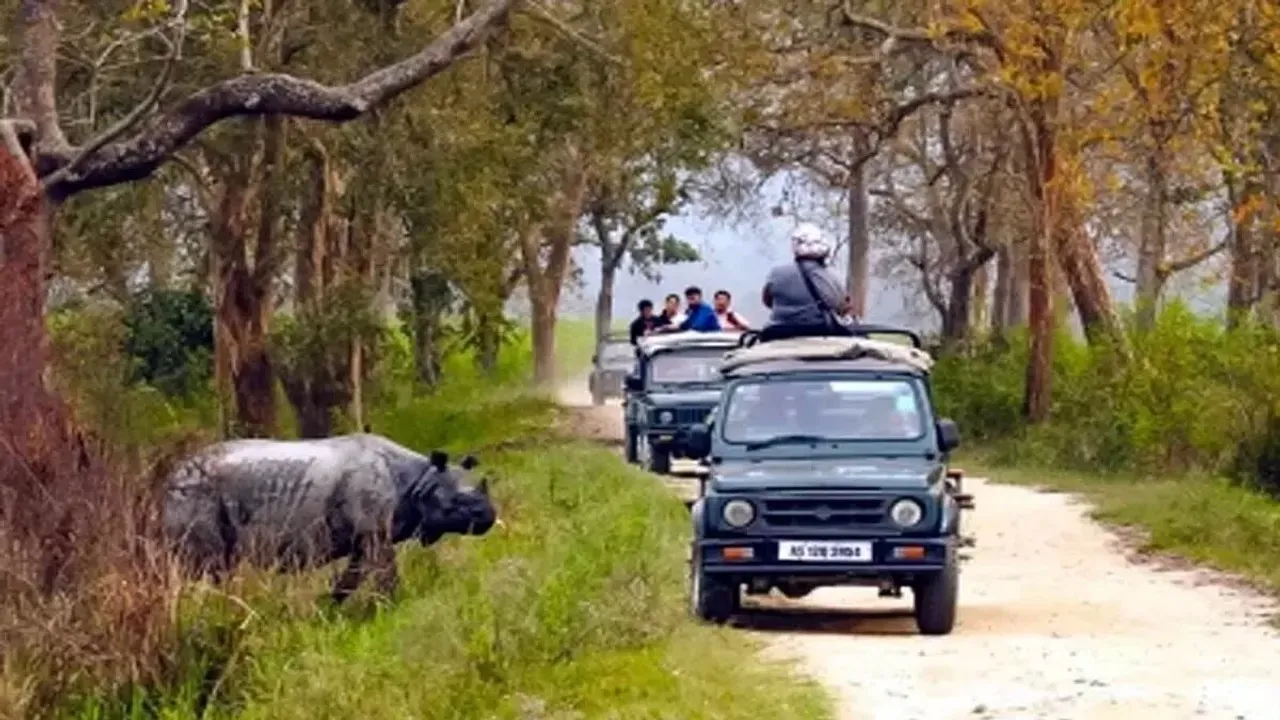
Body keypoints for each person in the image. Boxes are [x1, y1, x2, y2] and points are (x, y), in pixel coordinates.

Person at [760, 222, 855, 340]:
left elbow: (767, 301)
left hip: (778, 332)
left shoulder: (776, 273)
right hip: (821, 332)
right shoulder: (833, 276)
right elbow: (843, 307)